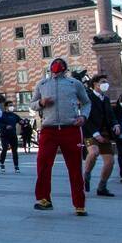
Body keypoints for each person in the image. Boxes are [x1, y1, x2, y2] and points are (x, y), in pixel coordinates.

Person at [31, 58, 92, 216]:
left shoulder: (74, 84)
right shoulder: (42, 84)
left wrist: (83, 117)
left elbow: (86, 102)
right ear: (50, 70)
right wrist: (41, 103)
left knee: (74, 167)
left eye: (59, 71)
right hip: (49, 129)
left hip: (70, 128)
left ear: (65, 70)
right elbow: (32, 104)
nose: (56, 74)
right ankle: (44, 199)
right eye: (54, 71)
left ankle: (79, 203)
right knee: (43, 164)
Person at [81, 74, 118, 197]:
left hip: (105, 133)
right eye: (103, 82)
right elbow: (86, 117)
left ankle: (102, 187)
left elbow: (111, 115)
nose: (105, 84)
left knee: (110, 161)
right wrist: (95, 134)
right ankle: (86, 174)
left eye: (106, 82)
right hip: (91, 132)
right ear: (95, 84)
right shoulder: (88, 98)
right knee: (94, 152)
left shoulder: (106, 99)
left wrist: (116, 124)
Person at [0, 104, 23, 173]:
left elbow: (20, 120)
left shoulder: (14, 115)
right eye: (10, 105)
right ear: (6, 107)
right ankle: (2, 163)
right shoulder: (2, 115)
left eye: (12, 105)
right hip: (4, 135)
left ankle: (16, 166)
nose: (12, 107)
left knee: (15, 151)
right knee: (5, 148)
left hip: (13, 135)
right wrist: (5, 126)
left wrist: (22, 122)